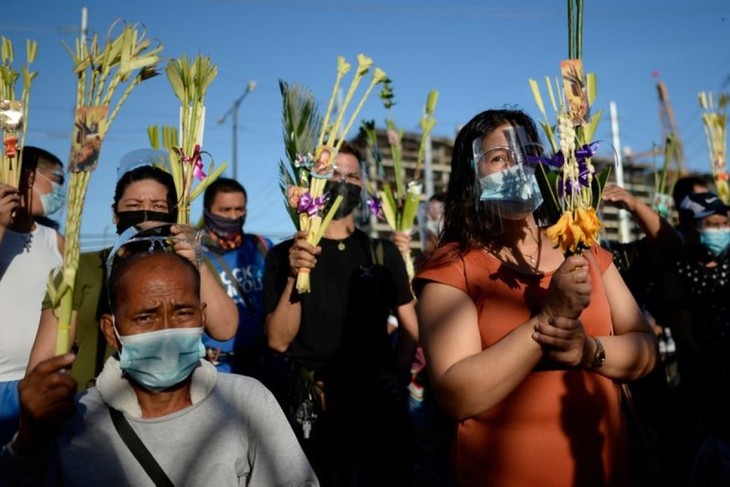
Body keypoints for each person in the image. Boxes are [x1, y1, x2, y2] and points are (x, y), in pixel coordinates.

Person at [413, 108, 658, 486]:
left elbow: (645, 348)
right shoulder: (452, 266)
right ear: (471, 176)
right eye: (499, 158)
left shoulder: (583, 247)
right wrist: (547, 320)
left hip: (603, 468)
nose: (517, 167)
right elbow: (456, 395)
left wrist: (589, 352)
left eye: (528, 155)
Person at [0, 246, 318, 486]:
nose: (166, 332)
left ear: (202, 318)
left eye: (182, 312)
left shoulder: (247, 400)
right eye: (145, 316)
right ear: (111, 330)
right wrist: (28, 438)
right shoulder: (70, 419)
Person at [264, 142, 418, 486]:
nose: (344, 182)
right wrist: (294, 274)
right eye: (335, 174)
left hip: (374, 410)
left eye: (353, 176)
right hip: (312, 408)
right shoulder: (284, 256)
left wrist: (398, 376)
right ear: (314, 180)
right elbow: (277, 340)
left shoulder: (381, 252)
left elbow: (412, 327)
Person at [26, 149, 237, 391]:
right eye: (135, 205)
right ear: (115, 214)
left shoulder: (183, 263)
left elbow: (225, 329)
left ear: (172, 214)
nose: (146, 215)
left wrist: (196, 262)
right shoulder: (81, 268)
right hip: (94, 405)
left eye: (158, 205)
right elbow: (43, 362)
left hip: (175, 402)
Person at [664, 191, 730, 486]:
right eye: (711, 224)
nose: (720, 229)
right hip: (702, 382)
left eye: (723, 222)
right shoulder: (680, 272)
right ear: (691, 227)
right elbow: (684, 333)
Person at [0, 146, 65, 445]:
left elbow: (64, 306)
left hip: (35, 388)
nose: (60, 190)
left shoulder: (57, 242)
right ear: (28, 177)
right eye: (56, 179)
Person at [199, 178, 283, 389]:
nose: (234, 216)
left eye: (239, 209)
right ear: (207, 211)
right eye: (225, 210)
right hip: (219, 371)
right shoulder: (195, 256)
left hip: (265, 367)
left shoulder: (262, 247)